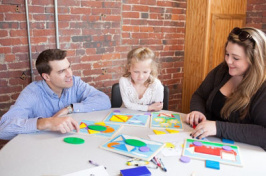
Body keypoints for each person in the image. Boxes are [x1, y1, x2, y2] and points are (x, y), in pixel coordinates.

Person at [0, 49, 111, 140]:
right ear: (46, 77)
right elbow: (3, 129)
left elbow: (104, 100)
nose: (70, 74)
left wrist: (70, 108)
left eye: (69, 67)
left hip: (72, 143)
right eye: (61, 71)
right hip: (42, 150)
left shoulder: (75, 83)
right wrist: (46, 122)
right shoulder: (31, 93)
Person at [186, 27, 266, 150]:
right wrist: (198, 111)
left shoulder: (262, 87)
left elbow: (263, 133)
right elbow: (200, 95)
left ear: (254, 60)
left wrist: (218, 128)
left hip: (243, 153)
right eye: (227, 54)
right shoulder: (223, 70)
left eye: (236, 58)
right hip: (208, 144)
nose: (228, 61)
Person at [119, 47, 164, 111]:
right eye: (136, 72)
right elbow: (127, 104)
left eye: (145, 72)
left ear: (151, 70)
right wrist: (148, 108)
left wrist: (152, 108)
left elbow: (157, 106)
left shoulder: (156, 84)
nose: (141, 76)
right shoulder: (124, 81)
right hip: (126, 116)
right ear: (129, 68)